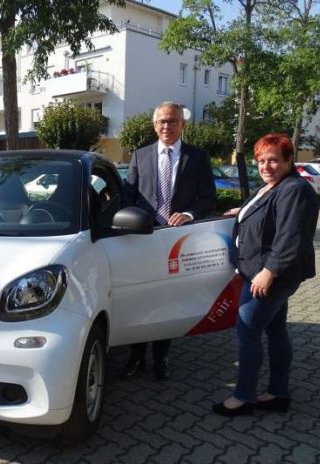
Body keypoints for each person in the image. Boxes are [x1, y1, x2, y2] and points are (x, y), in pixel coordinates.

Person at [213, 133, 318, 416]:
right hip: (260, 272)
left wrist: (268, 272)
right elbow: (264, 213)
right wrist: (241, 212)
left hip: (271, 276)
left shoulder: (294, 189)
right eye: (261, 160)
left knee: (247, 330)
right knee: (275, 329)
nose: (266, 166)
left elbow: (290, 237)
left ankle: (244, 397)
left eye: (273, 160)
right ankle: (277, 393)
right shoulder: (273, 186)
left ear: (289, 160)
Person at [121, 101, 216, 381]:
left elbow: (208, 198)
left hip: (177, 242)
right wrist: (135, 217)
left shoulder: (197, 157)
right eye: (162, 121)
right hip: (143, 240)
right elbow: (128, 195)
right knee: (139, 299)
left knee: (167, 301)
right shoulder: (140, 155)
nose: (166, 126)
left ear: (182, 124)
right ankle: (136, 357)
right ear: (154, 125)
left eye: (172, 121)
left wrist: (188, 214)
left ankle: (161, 357)